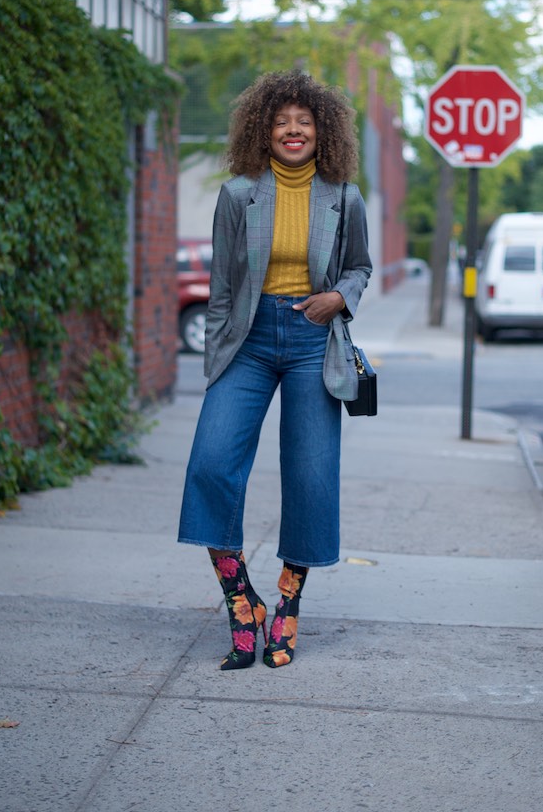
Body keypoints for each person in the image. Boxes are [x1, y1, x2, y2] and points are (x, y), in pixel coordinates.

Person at [178, 69, 372, 669]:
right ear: (264, 131)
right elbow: (220, 288)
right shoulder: (239, 194)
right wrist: (216, 361)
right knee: (212, 464)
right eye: (282, 121)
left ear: (323, 132)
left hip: (315, 340)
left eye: (304, 122)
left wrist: (338, 298)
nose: (293, 130)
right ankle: (242, 601)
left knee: (311, 478)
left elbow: (359, 268)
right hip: (249, 340)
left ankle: (287, 605)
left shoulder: (344, 197)